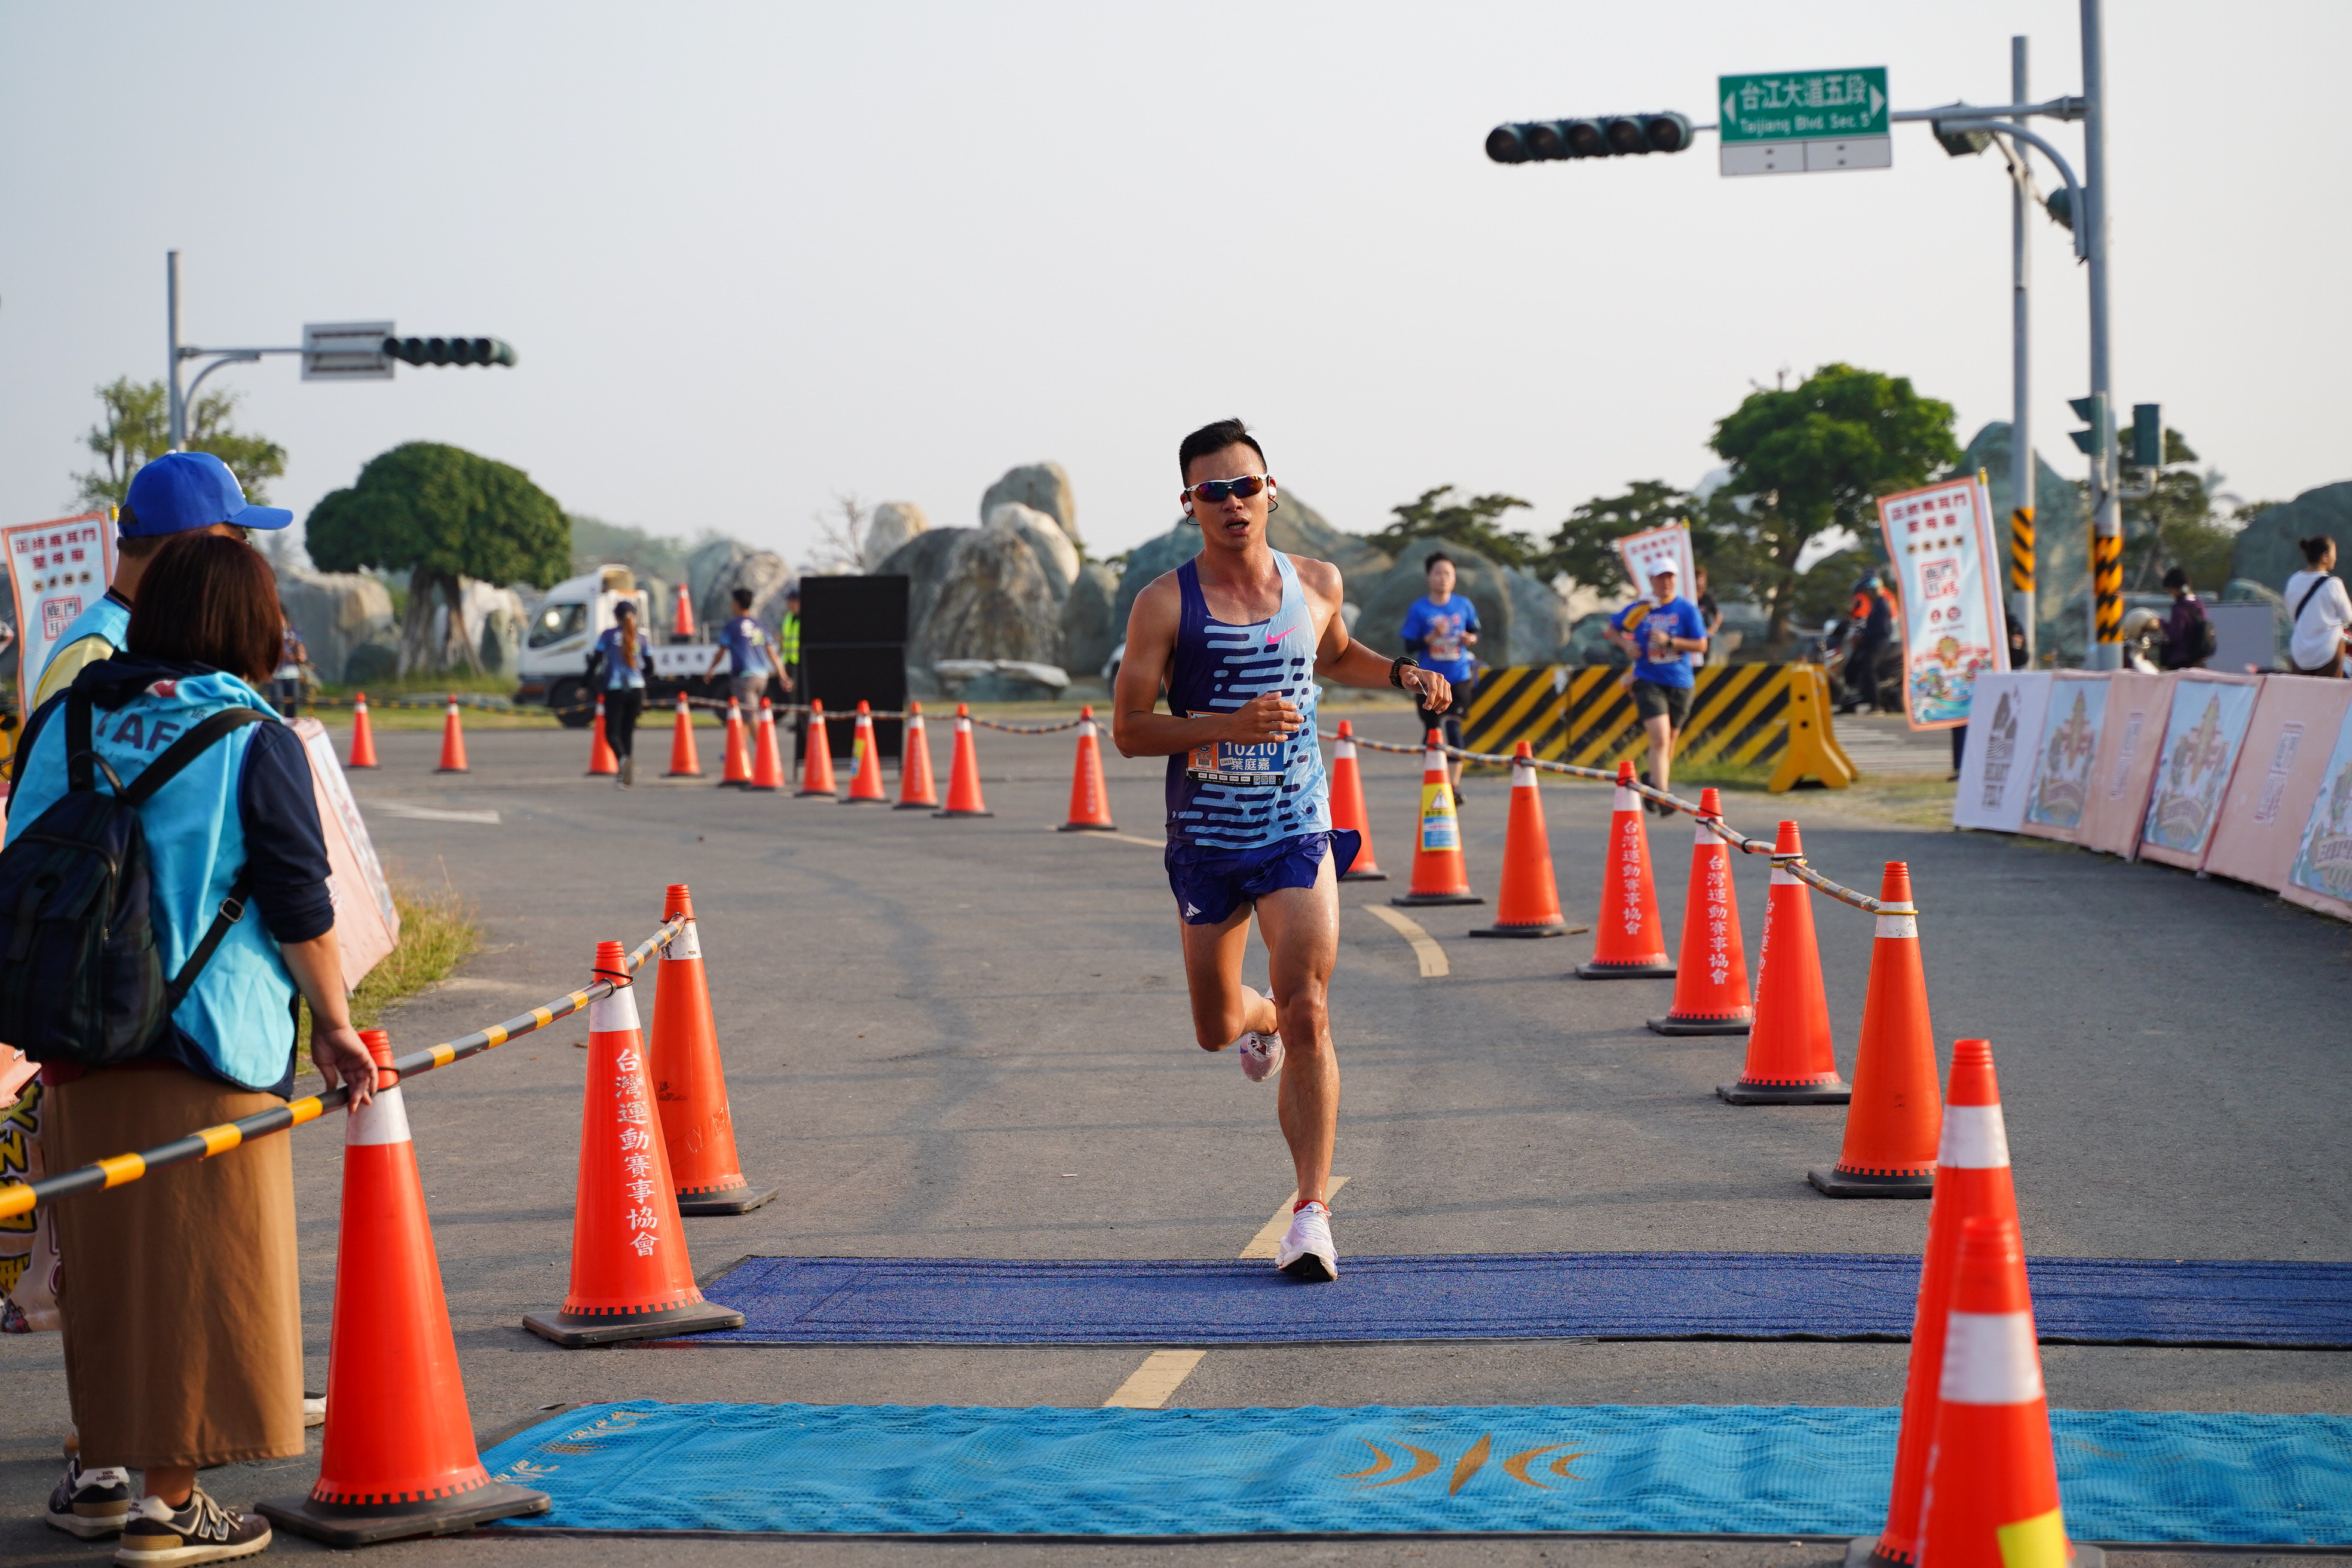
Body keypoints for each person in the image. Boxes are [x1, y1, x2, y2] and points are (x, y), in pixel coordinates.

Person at [9, 531, 378, 1562]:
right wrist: (337, 1025)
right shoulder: (252, 736)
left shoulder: (62, 718)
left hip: (76, 1040)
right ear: (251, 628)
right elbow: (300, 904)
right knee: (198, 1272)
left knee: (104, 1272)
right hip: (207, 1045)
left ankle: (99, 1479)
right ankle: (170, 1506)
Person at [1113, 418, 1452, 1284]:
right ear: (1189, 504)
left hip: (1295, 825)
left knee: (1311, 1008)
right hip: (1206, 839)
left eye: (1245, 485)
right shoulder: (1164, 603)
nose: (1233, 502)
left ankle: (1310, 1216)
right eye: (1213, 491)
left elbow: (1334, 653)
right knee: (1216, 1025)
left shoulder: (1318, 581)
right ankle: (1255, 1021)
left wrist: (1403, 672)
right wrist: (1228, 724)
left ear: (1271, 490)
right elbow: (1130, 729)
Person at [36, 451, 293, 712]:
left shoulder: (157, 631)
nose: (242, 556)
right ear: (190, 541)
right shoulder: (94, 651)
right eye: (237, 542)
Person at [1609, 564, 1707, 813]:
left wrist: (1670, 641)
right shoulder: (1641, 609)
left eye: (1670, 577)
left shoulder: (1686, 609)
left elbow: (1701, 645)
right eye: (1661, 578)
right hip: (1647, 679)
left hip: (1681, 682)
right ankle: (1664, 796)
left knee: (1669, 741)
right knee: (1660, 738)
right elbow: (1612, 629)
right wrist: (1627, 646)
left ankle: (1652, 781)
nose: (1666, 582)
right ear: (1651, 580)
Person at [1397, 552, 1478, 800]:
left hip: (1459, 676)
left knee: (1454, 727)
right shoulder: (1419, 609)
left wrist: (1470, 639)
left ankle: (1453, 787)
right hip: (1428, 679)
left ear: (1454, 578)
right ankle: (1434, 783)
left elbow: (1474, 632)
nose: (1443, 578)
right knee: (1433, 730)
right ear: (1428, 577)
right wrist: (1432, 637)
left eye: (1448, 574)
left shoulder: (1464, 605)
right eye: (1438, 573)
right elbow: (1409, 645)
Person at [589, 599, 655, 787]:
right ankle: (626, 777)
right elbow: (651, 667)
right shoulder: (641, 637)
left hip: (616, 687)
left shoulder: (608, 635)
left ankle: (622, 759)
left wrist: (585, 684)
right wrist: (639, 676)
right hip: (637, 688)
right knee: (628, 732)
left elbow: (596, 661)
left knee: (612, 733)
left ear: (616, 617)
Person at [704, 587, 780, 711]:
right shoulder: (761, 626)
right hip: (762, 677)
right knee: (751, 712)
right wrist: (782, 675)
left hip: (744, 677)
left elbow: (721, 652)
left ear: (737, 604)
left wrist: (711, 669)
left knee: (749, 714)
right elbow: (772, 653)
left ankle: (756, 726)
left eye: (732, 602)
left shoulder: (732, 627)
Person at [2286, 535, 2351, 678]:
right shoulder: (2334, 584)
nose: (2336, 558)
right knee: (2329, 691)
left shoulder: (2293, 581)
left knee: (2303, 691)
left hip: (2300, 652)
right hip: (2328, 651)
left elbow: (2292, 615)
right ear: (2325, 557)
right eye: (2334, 554)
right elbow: (2348, 617)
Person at [1839, 571, 1895, 714]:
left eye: (1868, 592)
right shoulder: (1875, 605)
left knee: (1869, 668)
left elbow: (1882, 629)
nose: (1867, 595)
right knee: (1852, 667)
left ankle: (1876, 705)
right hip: (1872, 641)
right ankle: (1849, 703)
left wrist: (1865, 635)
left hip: (1879, 643)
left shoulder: (1882, 605)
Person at [2158, 568, 2212, 671]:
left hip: (2181, 663)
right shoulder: (2199, 605)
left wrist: (2161, 623)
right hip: (2198, 662)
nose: (2170, 593)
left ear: (2176, 587)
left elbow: (2175, 636)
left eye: (2170, 589)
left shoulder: (2179, 609)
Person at [271, 620, 308, 712]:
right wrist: (285, 655)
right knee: (277, 703)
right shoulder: (271, 630)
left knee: (292, 704)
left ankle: (290, 721)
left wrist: (301, 656)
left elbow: (299, 646)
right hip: (276, 674)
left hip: (292, 674)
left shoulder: (293, 630)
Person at [777, 587, 802, 698]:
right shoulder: (788, 617)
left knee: (800, 690)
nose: (788, 604)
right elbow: (784, 637)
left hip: (800, 660)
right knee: (790, 691)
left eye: (790, 601)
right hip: (789, 660)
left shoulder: (803, 618)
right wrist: (779, 654)